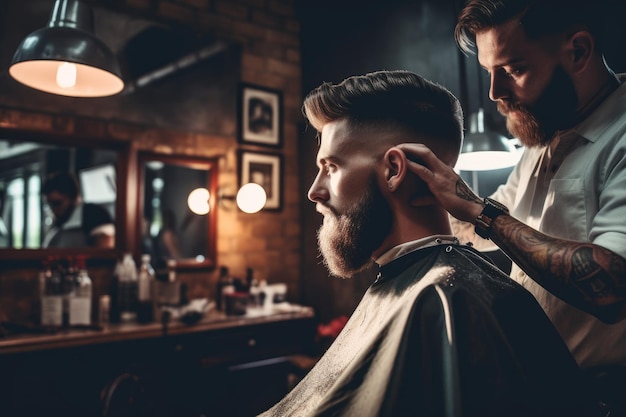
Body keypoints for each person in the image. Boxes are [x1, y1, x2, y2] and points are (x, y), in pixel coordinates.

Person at [260, 70, 590, 416]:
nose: (314, 190)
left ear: (393, 170)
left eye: (331, 166)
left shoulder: (447, 300)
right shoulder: (427, 286)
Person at [42, 172, 115, 248]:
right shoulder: (59, 224)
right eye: (49, 204)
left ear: (74, 199)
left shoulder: (95, 215)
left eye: (57, 203)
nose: (53, 209)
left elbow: (105, 253)